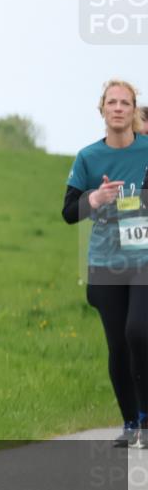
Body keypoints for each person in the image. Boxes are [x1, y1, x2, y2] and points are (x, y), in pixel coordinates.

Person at [62, 79, 148, 448]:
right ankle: (131, 424)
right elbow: (68, 213)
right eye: (111, 102)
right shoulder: (88, 158)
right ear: (102, 110)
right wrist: (95, 198)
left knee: (139, 333)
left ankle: (146, 417)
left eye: (125, 103)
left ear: (133, 111)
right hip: (104, 264)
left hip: (144, 261)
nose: (118, 108)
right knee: (118, 346)